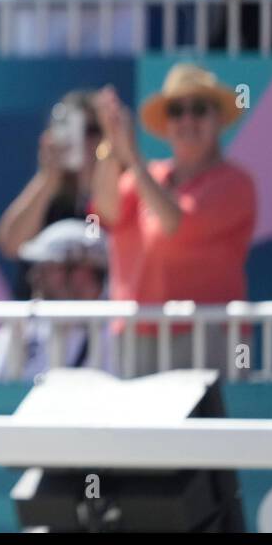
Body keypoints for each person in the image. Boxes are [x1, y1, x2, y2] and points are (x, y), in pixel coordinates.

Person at [90, 64, 256, 373]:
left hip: (208, 335)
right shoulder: (149, 176)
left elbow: (174, 224)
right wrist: (111, 142)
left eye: (199, 109)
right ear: (166, 124)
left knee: (209, 423)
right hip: (137, 333)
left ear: (219, 118)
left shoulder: (235, 183)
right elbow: (106, 212)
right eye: (177, 110)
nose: (187, 119)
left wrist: (134, 159)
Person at [0, 90, 101, 297]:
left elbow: (99, 237)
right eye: (74, 132)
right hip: (40, 324)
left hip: (100, 324)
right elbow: (10, 244)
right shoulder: (49, 193)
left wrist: (93, 183)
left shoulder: (122, 191)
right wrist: (48, 179)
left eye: (92, 130)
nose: (84, 141)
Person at [0, 218, 108, 381]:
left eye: (49, 268)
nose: (35, 277)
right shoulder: (21, 328)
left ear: (82, 272)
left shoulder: (116, 331)